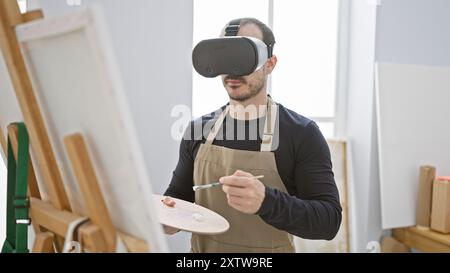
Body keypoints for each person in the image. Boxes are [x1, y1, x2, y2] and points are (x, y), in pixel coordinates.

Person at [164, 18, 342, 253]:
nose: (232, 71)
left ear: (270, 64)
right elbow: (178, 201)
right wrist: (164, 217)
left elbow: (328, 223)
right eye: (225, 57)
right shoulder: (198, 131)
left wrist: (267, 202)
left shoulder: (301, 133)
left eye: (243, 58)